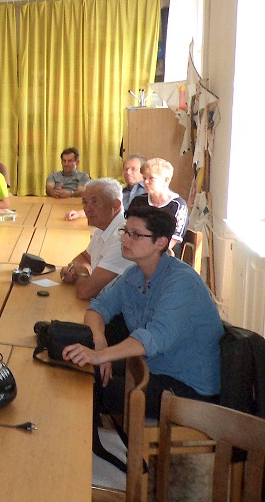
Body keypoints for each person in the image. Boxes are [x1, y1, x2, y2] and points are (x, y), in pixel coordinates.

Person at [62, 206, 222, 418]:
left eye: (135, 235)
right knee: (76, 370)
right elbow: (98, 307)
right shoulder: (134, 273)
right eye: (125, 232)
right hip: (151, 367)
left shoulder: (182, 282)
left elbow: (152, 339)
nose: (124, 239)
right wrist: (99, 340)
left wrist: (100, 355)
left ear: (160, 243)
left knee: (88, 389)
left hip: (188, 389)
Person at [60, 179, 133, 300]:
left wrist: (82, 273)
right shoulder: (103, 227)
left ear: (115, 205)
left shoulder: (123, 237)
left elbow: (85, 292)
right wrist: (72, 270)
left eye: (94, 202)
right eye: (85, 202)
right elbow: (84, 258)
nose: (87, 209)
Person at [127, 158, 188, 256]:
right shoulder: (138, 201)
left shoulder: (178, 205)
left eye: (151, 178)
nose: (146, 182)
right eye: (144, 178)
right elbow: (128, 229)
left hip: (164, 256)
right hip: (135, 252)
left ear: (166, 180)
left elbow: (172, 241)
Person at [65, 154, 146, 221]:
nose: (128, 172)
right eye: (126, 169)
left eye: (133, 169)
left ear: (143, 171)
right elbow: (103, 208)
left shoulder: (148, 191)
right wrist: (79, 213)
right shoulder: (120, 192)